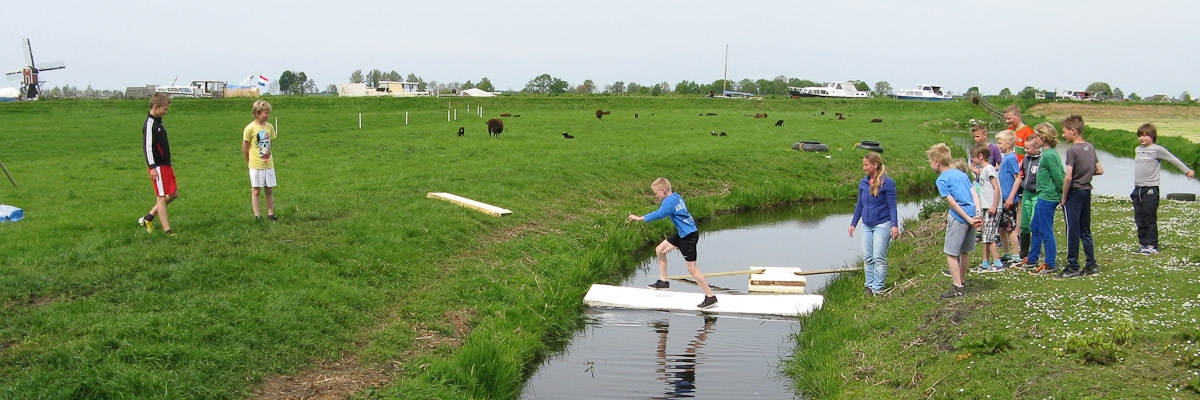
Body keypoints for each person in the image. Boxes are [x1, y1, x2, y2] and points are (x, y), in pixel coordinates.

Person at [628, 178, 718, 309]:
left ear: (663, 190)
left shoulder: (669, 202)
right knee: (660, 250)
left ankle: (710, 297)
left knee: (692, 269)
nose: (656, 196)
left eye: (656, 193)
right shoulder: (676, 197)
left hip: (688, 237)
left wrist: (640, 218)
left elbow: (661, 214)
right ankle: (663, 282)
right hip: (683, 233)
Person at [1131, 123, 1196, 255]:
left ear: (1152, 136)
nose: (1141, 138)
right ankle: (1143, 244)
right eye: (1139, 136)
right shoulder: (1138, 149)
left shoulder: (1157, 150)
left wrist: (1187, 171)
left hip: (1151, 188)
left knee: (1149, 217)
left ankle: (1152, 245)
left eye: (1145, 136)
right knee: (1139, 218)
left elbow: (1173, 160)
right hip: (1138, 188)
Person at [927, 143, 982, 299]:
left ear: (937, 161)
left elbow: (953, 203)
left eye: (931, 161)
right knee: (964, 251)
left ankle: (957, 286)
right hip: (973, 215)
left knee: (951, 253)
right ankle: (961, 281)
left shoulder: (942, 180)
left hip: (960, 218)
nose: (930, 165)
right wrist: (977, 215)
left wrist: (968, 219)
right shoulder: (962, 174)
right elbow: (974, 195)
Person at [1058, 115, 1104, 278]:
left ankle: (1073, 266)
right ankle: (1091, 264)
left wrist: (1064, 196)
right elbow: (1099, 170)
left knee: (1072, 229)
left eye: (1064, 132)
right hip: (1086, 191)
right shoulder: (1090, 147)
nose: (1063, 135)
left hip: (1075, 192)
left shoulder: (1072, 151)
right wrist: (1085, 175)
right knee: (1085, 229)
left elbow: (1068, 177)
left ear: (1073, 131)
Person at [848, 152, 899, 296]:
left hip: (882, 224)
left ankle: (878, 288)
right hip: (867, 225)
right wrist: (853, 224)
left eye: (866, 165)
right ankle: (869, 286)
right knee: (867, 257)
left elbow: (892, 206)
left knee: (878, 257)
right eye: (863, 165)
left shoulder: (887, 183)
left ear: (875, 165)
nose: (864, 168)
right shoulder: (863, 183)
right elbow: (860, 205)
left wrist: (894, 225)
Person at [1025, 123, 1065, 275]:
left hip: (1048, 197)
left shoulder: (1049, 155)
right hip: (1042, 195)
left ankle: (1050, 263)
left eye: (1036, 136)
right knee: (1035, 227)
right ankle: (1032, 258)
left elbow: (1059, 176)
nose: (1034, 139)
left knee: (1045, 230)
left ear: (1043, 138)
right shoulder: (1048, 154)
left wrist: (1062, 195)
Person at [137, 93, 178, 236]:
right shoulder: (150, 124)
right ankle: (168, 231)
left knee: (173, 194)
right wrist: (152, 166)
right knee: (161, 198)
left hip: (166, 164)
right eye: (165, 109)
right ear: (155, 107)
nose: (166, 112)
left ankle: (148, 217)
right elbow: (148, 147)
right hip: (157, 166)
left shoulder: (159, 121)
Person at [243, 99, 278, 221]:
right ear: (257, 112)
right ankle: (257, 215)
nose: (268, 116)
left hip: (268, 164)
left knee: (269, 189)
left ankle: (270, 214)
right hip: (255, 165)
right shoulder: (250, 128)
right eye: (265, 113)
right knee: (256, 190)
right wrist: (249, 161)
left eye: (269, 113)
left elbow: (270, 143)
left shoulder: (269, 127)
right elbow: (245, 147)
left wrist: (267, 156)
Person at [970, 143, 1003, 272]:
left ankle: (998, 263)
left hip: (991, 207)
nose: (972, 160)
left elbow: (996, 188)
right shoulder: (983, 170)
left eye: (973, 157)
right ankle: (985, 262)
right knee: (985, 235)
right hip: (985, 207)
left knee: (989, 237)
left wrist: (994, 205)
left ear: (981, 156)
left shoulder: (989, 169)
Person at [1011, 136, 1042, 268]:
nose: (1026, 150)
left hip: (1037, 193)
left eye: (1028, 148)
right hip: (1026, 193)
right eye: (1024, 148)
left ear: (1037, 148)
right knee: (1024, 223)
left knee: (1035, 223)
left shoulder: (1041, 160)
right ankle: (1024, 252)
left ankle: (1035, 252)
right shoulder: (1026, 159)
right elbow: (1017, 170)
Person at [995, 130, 1021, 266]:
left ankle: (1016, 255)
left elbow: (1018, 178)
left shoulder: (1011, 158)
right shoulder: (1006, 157)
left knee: (1010, 228)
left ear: (1008, 144)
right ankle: (1006, 253)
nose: (998, 146)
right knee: (1001, 227)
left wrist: (1011, 197)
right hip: (1002, 199)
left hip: (1008, 200)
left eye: (1000, 143)